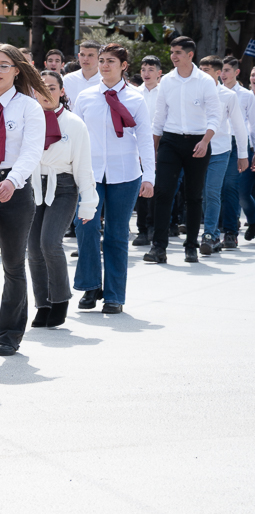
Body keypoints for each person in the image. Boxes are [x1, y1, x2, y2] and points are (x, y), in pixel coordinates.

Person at [0, 45, 51, 357]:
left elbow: (32, 151)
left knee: (13, 264)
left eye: (4, 65)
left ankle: (9, 334)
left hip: (15, 187)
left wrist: (12, 180)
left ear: (17, 70)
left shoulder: (28, 107)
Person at [71, 44, 154, 314]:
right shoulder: (85, 97)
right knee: (85, 227)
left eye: (111, 61)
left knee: (116, 234)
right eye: (102, 60)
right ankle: (91, 285)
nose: (104, 65)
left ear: (124, 66)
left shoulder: (136, 98)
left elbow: (144, 139)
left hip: (125, 174)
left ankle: (115, 295)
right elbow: (75, 136)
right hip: (90, 173)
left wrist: (149, 176)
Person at [28, 70, 96, 330]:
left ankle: (59, 300)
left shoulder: (74, 124)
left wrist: (88, 204)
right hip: (33, 185)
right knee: (33, 248)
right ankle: (43, 304)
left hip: (64, 187)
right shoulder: (28, 119)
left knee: (49, 243)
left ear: (62, 91)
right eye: (41, 88)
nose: (46, 93)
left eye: (52, 88)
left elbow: (83, 166)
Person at [145, 36, 218, 265]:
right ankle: (159, 247)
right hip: (171, 141)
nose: (173, 56)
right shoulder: (166, 81)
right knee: (163, 193)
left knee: (193, 196)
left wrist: (205, 141)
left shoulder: (205, 81)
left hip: (198, 142)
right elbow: (159, 118)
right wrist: (153, 149)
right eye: (172, 52)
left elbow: (215, 116)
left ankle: (191, 247)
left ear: (190, 55)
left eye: (177, 52)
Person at [214, 57, 251, 249]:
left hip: (236, 144)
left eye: (227, 70)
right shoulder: (212, 92)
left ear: (236, 72)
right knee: (213, 188)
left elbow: (252, 125)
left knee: (230, 186)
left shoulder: (246, 95)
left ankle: (230, 232)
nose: (223, 74)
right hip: (215, 142)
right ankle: (212, 232)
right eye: (222, 70)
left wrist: (250, 151)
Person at [132, 55, 165, 245]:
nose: (146, 73)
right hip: (139, 147)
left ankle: (155, 227)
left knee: (158, 189)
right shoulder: (135, 93)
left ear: (159, 73)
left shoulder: (164, 93)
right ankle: (142, 229)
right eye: (143, 69)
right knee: (142, 189)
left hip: (161, 146)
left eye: (151, 70)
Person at [60, 39, 103, 107]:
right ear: (79, 56)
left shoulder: (106, 81)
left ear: (99, 57)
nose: (85, 59)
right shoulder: (67, 80)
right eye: (82, 55)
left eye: (90, 55)